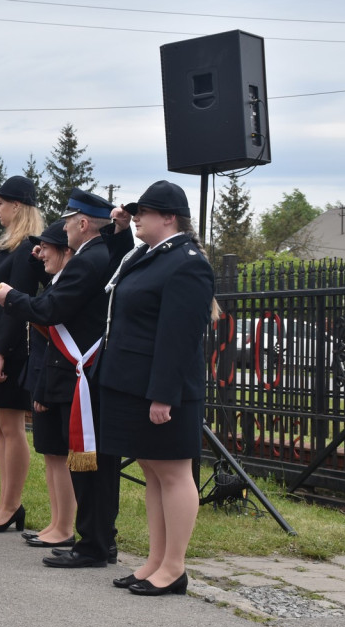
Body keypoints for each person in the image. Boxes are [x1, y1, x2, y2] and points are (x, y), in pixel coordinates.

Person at [0, 189, 132, 567]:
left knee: (93, 469)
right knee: (91, 467)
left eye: (69, 221)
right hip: (82, 374)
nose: (65, 227)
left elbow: (53, 309)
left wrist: (11, 298)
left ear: (83, 224)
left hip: (82, 373)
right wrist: (121, 231)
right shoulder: (100, 255)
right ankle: (98, 540)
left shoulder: (87, 261)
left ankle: (94, 545)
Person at [101, 181, 215, 596]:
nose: (135, 219)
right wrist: (117, 230)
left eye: (142, 212)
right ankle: (155, 559)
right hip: (137, 384)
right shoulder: (148, 257)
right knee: (152, 471)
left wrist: (163, 394)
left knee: (173, 472)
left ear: (169, 217)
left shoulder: (186, 262)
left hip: (166, 389)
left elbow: (179, 337)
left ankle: (175, 567)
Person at [0, 176, 46, 533]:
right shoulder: (7, 246)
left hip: (12, 346)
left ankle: (11, 504)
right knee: (0, 426)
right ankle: (5, 503)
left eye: (1, 204)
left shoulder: (25, 249)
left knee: (11, 426)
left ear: (17, 206)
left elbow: (16, 305)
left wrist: (2, 352)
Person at [20, 220, 77, 547]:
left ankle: (64, 527)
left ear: (66, 251)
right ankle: (56, 522)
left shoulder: (66, 285)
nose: (40, 253)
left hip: (54, 380)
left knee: (59, 455)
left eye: (46, 247)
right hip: (43, 376)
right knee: (51, 455)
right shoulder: (55, 281)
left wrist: (43, 387)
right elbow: (35, 270)